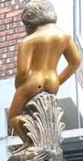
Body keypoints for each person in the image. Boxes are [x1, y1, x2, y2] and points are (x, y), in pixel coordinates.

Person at [9, 1, 82, 148]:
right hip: (52, 82)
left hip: (33, 82)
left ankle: (29, 142)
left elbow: (23, 71)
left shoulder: (28, 41)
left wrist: (18, 85)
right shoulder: (64, 37)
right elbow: (75, 62)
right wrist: (58, 81)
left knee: (14, 115)